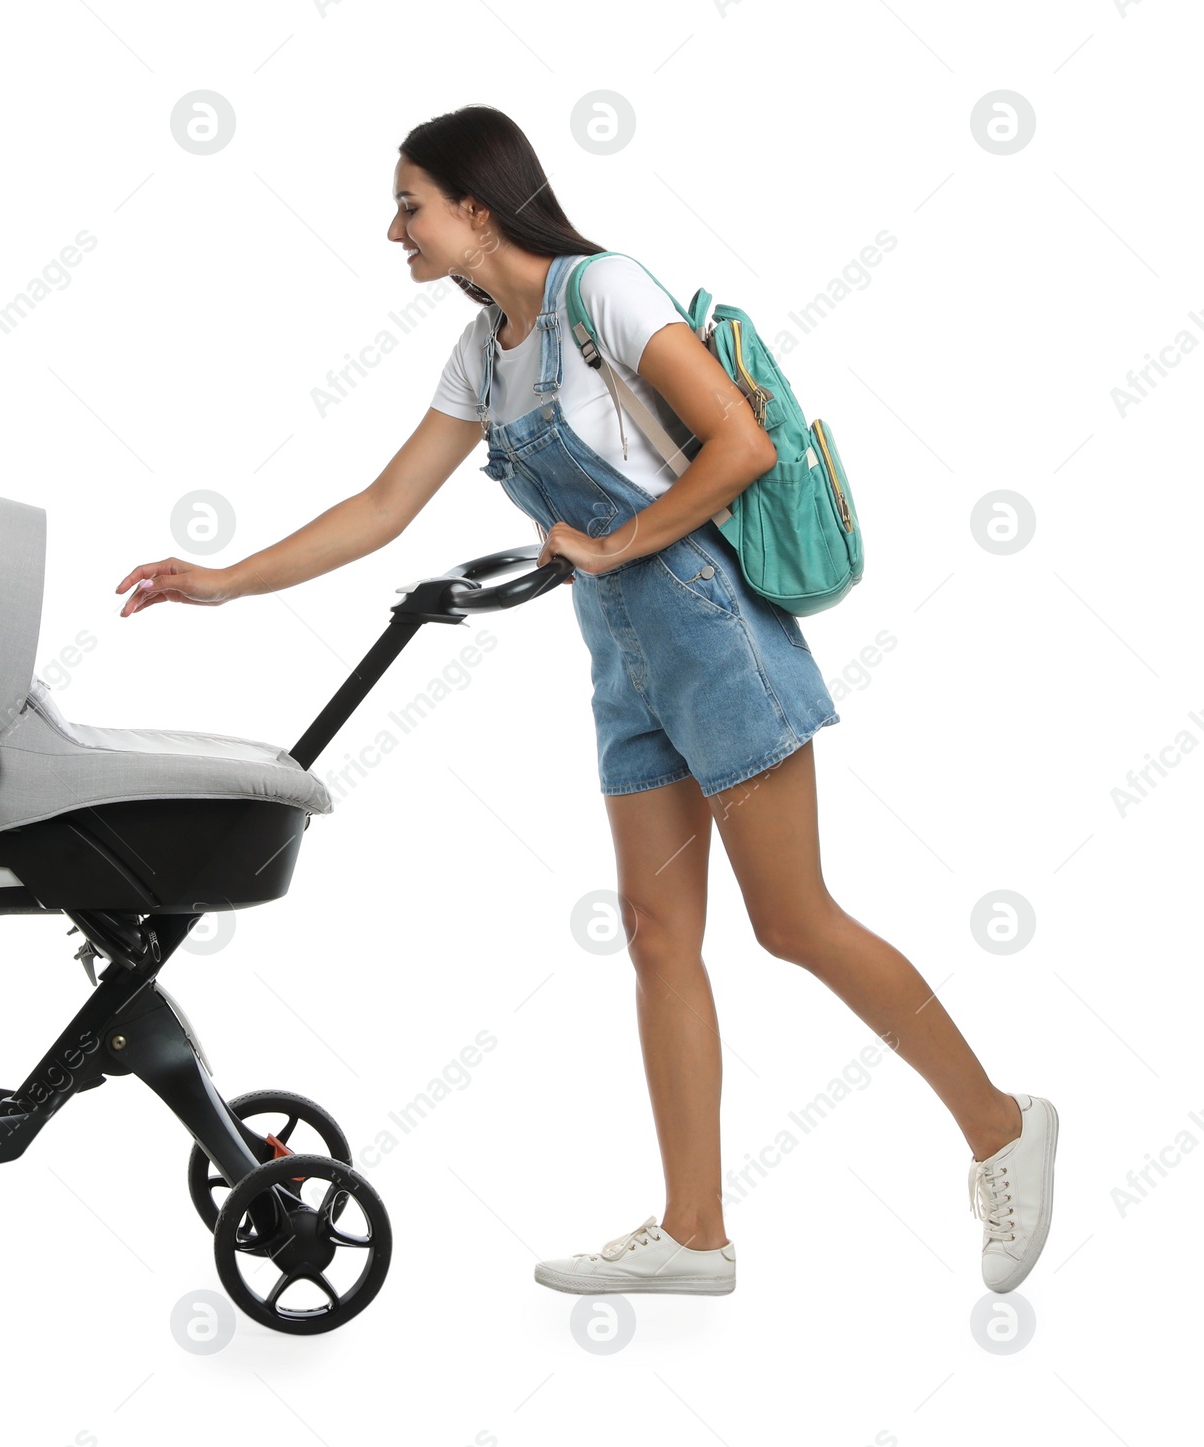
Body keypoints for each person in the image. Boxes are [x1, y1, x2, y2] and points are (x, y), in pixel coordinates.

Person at [114, 104, 1058, 1299]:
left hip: (715, 635)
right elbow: (383, 504)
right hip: (623, 664)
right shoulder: (481, 351)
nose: (390, 229)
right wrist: (224, 582)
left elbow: (739, 443)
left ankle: (999, 1127)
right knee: (659, 935)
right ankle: (695, 1234)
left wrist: (615, 545)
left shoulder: (602, 293)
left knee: (792, 919)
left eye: (408, 204)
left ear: (475, 204)